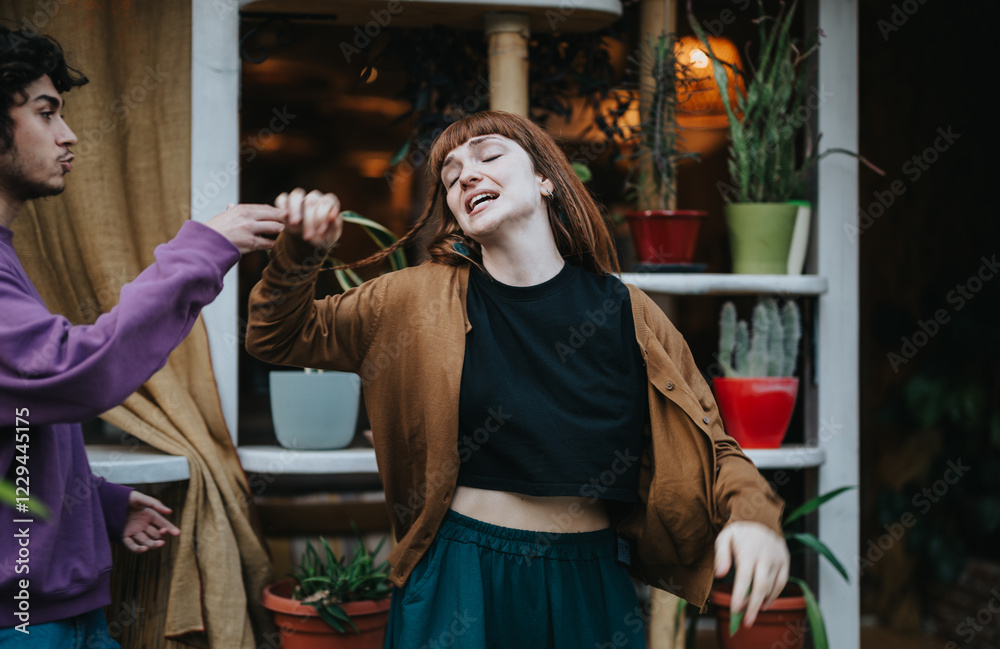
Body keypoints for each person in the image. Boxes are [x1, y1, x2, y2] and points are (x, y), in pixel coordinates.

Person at [246, 111, 789, 647]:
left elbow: (712, 443)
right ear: (455, 214)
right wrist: (301, 255)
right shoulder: (410, 300)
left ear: (545, 180)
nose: (466, 175)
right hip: (461, 577)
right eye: (451, 175)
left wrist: (756, 517)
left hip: (591, 581)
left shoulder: (628, 312)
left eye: (488, 156)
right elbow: (278, 336)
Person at [0, 26, 285, 647]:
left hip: (53, 608)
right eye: (46, 113)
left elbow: (24, 419)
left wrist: (93, 501)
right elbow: (70, 373)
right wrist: (204, 248)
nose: (68, 134)